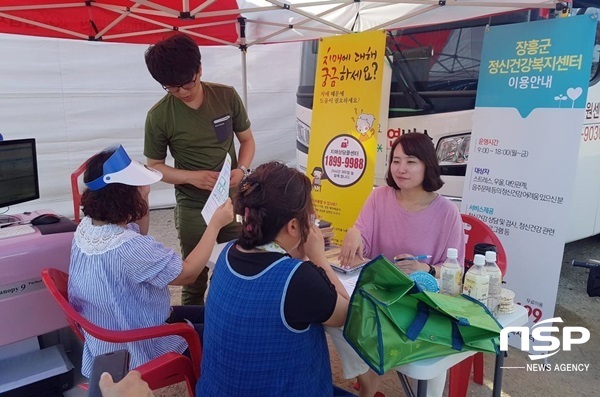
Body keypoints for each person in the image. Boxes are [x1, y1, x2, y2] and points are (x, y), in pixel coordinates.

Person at [68, 145, 233, 378]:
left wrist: (139, 201)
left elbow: (141, 231)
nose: (147, 190)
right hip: (140, 345)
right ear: (124, 198)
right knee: (226, 332)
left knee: (217, 313)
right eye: (141, 189)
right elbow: (189, 274)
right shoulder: (129, 247)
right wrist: (215, 224)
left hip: (113, 335)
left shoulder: (87, 228)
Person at [197, 162, 350, 396]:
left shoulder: (228, 251)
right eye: (310, 215)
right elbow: (345, 313)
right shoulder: (299, 279)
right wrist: (318, 256)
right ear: (292, 226)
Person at [337, 132, 466, 397]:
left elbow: (456, 270)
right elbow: (362, 239)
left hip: (421, 304)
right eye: (396, 161)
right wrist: (353, 232)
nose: (401, 169)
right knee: (332, 316)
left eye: (411, 161)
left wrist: (427, 270)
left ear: (427, 165)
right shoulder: (379, 197)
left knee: (429, 372)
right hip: (380, 296)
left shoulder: (447, 213)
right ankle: (368, 379)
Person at [143, 32, 256, 306]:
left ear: (200, 69)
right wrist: (192, 178)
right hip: (193, 207)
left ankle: (228, 321)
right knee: (194, 277)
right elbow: (154, 167)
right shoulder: (159, 116)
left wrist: (242, 170)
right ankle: (195, 336)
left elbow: (247, 140)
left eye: (187, 83)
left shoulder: (226, 96)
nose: (182, 91)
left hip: (231, 201)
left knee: (237, 269)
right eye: (171, 87)